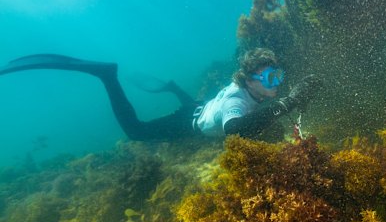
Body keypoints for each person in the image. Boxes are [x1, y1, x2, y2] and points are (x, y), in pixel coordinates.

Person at [0, 48, 320, 141]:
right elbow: (235, 129)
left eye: (279, 75)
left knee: (195, 105)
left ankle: (171, 86)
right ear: (250, 79)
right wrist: (289, 101)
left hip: (203, 106)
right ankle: (106, 76)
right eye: (270, 76)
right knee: (136, 132)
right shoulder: (237, 103)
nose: (277, 81)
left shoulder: (246, 88)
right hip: (189, 124)